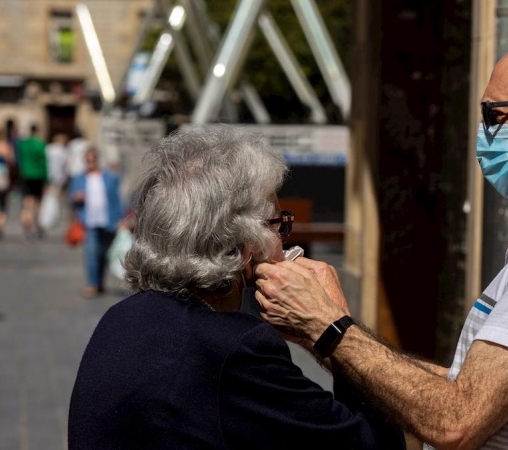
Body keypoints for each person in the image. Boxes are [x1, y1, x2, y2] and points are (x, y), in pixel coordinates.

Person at [254, 34, 508, 449]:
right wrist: (329, 334)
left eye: (494, 116)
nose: (483, 134)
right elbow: (471, 391)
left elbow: (456, 419)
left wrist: (327, 326)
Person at [68, 128, 404, 449]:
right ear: (246, 248)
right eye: (278, 224)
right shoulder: (235, 350)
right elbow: (373, 442)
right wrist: (334, 327)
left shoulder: (120, 318)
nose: (285, 240)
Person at [68, 148, 123, 298]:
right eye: (88, 160)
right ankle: (92, 284)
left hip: (108, 221)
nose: (90, 163)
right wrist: (76, 198)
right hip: (89, 221)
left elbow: (116, 199)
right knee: (91, 253)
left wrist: (121, 218)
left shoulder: (109, 177)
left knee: (103, 254)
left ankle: (99, 282)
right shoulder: (79, 178)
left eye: (92, 160)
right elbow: (70, 199)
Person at [17, 124, 48, 239]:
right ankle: (37, 225)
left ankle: (27, 228)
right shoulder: (40, 144)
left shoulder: (23, 144)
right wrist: (46, 178)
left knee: (26, 204)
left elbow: (18, 160)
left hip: (26, 175)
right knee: (38, 204)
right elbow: (44, 163)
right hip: (38, 176)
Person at [0, 129, 14, 239]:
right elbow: (11, 161)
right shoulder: (5, 146)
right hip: (2, 173)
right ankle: (1, 224)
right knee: (3, 202)